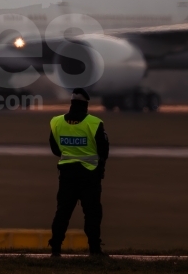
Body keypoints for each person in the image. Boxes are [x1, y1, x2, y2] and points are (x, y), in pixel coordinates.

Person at [48, 88, 109, 257]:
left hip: (66, 176)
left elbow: (55, 149)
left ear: (71, 103)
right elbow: (104, 151)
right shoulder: (94, 123)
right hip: (89, 176)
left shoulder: (57, 122)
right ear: (86, 105)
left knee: (62, 212)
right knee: (92, 214)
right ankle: (95, 250)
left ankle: (55, 249)